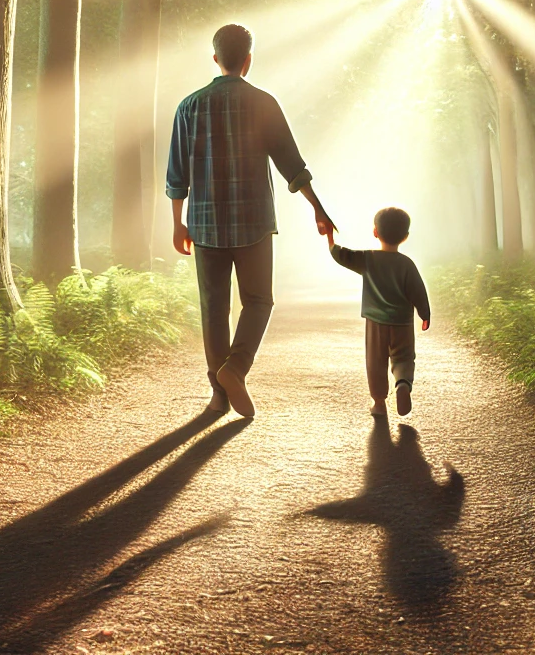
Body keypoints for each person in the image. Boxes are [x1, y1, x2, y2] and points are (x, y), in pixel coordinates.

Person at [167, 24, 335, 419]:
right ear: (248, 59)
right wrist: (318, 208)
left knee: (214, 309)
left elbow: (177, 175)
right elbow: (291, 164)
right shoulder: (264, 103)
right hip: (254, 224)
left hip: (205, 226)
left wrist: (178, 224)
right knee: (258, 301)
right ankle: (236, 369)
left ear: (215, 59)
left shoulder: (189, 106)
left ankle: (219, 394)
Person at [329, 206, 432, 418]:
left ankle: (378, 402)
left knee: (375, 362)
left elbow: (342, 256)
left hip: (375, 322)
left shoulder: (368, 259)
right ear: (405, 236)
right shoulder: (407, 264)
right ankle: (403, 384)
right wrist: (425, 314)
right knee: (403, 358)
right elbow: (418, 291)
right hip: (402, 323)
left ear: (375, 232)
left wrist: (330, 238)